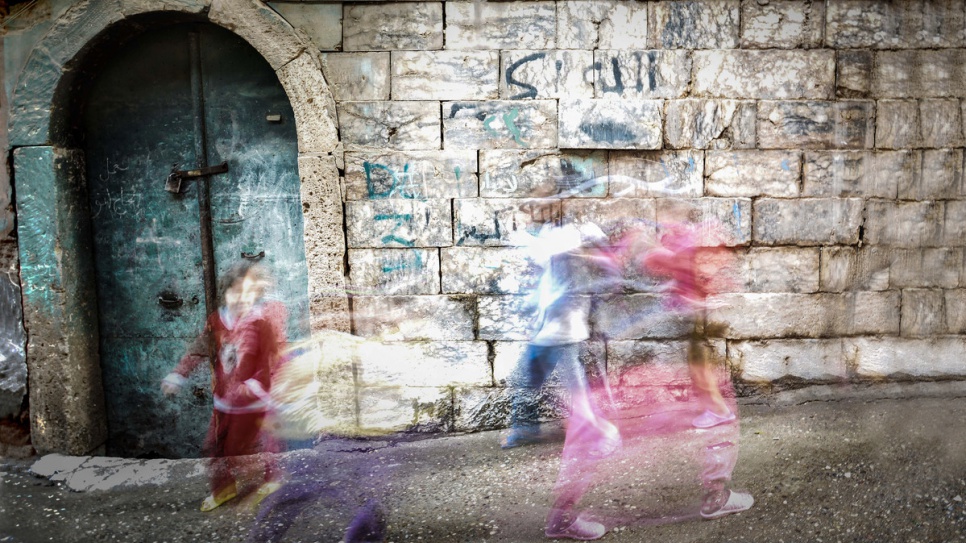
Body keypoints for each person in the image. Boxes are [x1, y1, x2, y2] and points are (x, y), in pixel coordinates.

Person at [501, 196, 620, 540]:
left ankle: (566, 436)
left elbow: (565, 264)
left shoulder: (570, 236)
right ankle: (561, 515)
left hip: (561, 333)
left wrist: (520, 232)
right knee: (535, 385)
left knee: (550, 392)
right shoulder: (565, 236)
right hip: (556, 333)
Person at [161, 262, 284, 512]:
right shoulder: (216, 321)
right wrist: (179, 374)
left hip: (254, 402)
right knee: (213, 447)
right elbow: (199, 349)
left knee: (259, 445)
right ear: (224, 294)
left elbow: (273, 356)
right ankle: (224, 488)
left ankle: (273, 479)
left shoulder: (260, 322)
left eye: (247, 294)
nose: (240, 300)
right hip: (224, 401)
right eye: (234, 293)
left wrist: (262, 385)